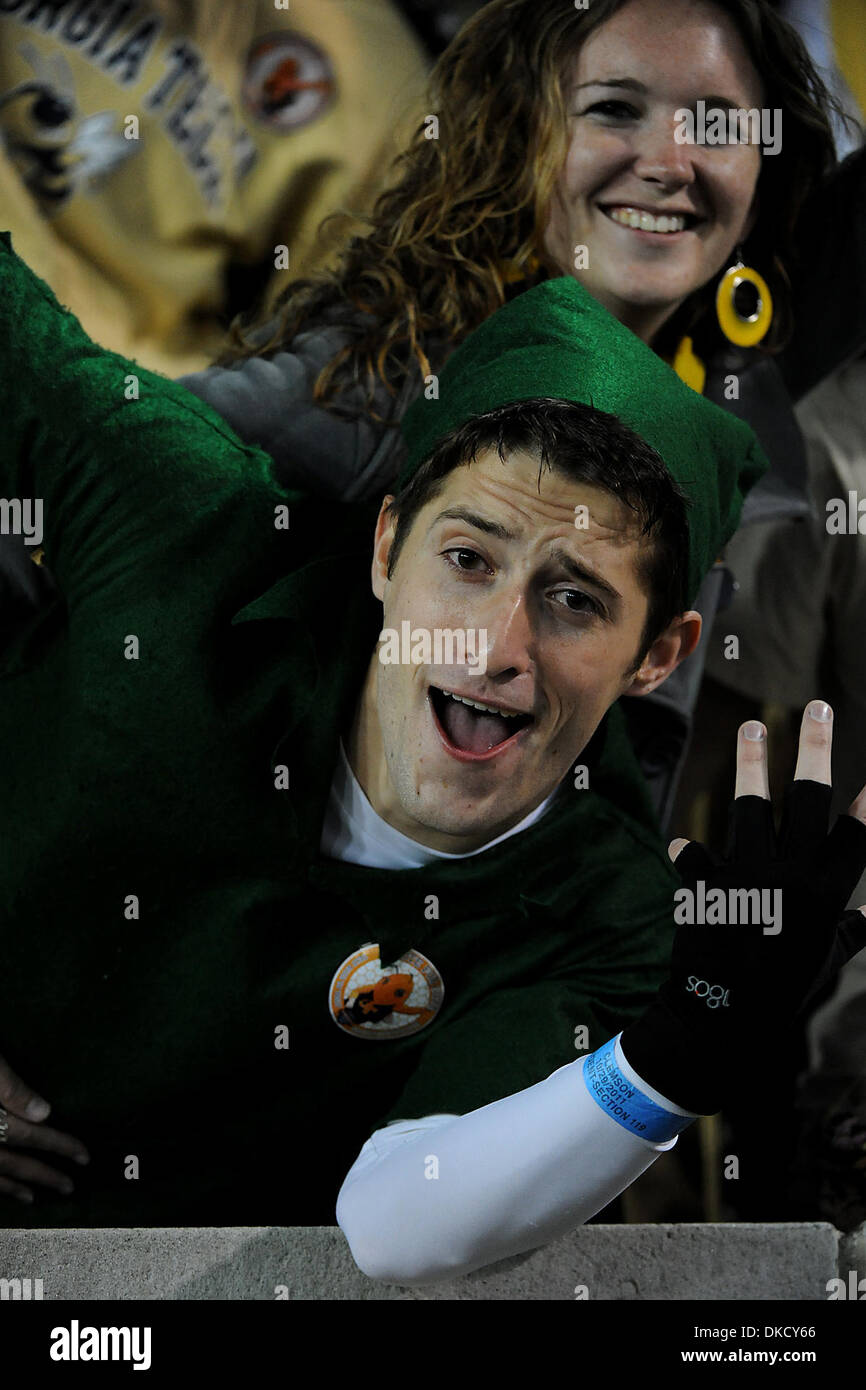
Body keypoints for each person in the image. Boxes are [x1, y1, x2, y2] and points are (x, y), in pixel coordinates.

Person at [2, 233, 866, 1287]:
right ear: (383, 545)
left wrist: (664, 1067)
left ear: (658, 656)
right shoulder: (175, 519)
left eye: (573, 599)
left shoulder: (614, 910)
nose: (494, 648)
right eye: (466, 559)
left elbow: (394, 1223)